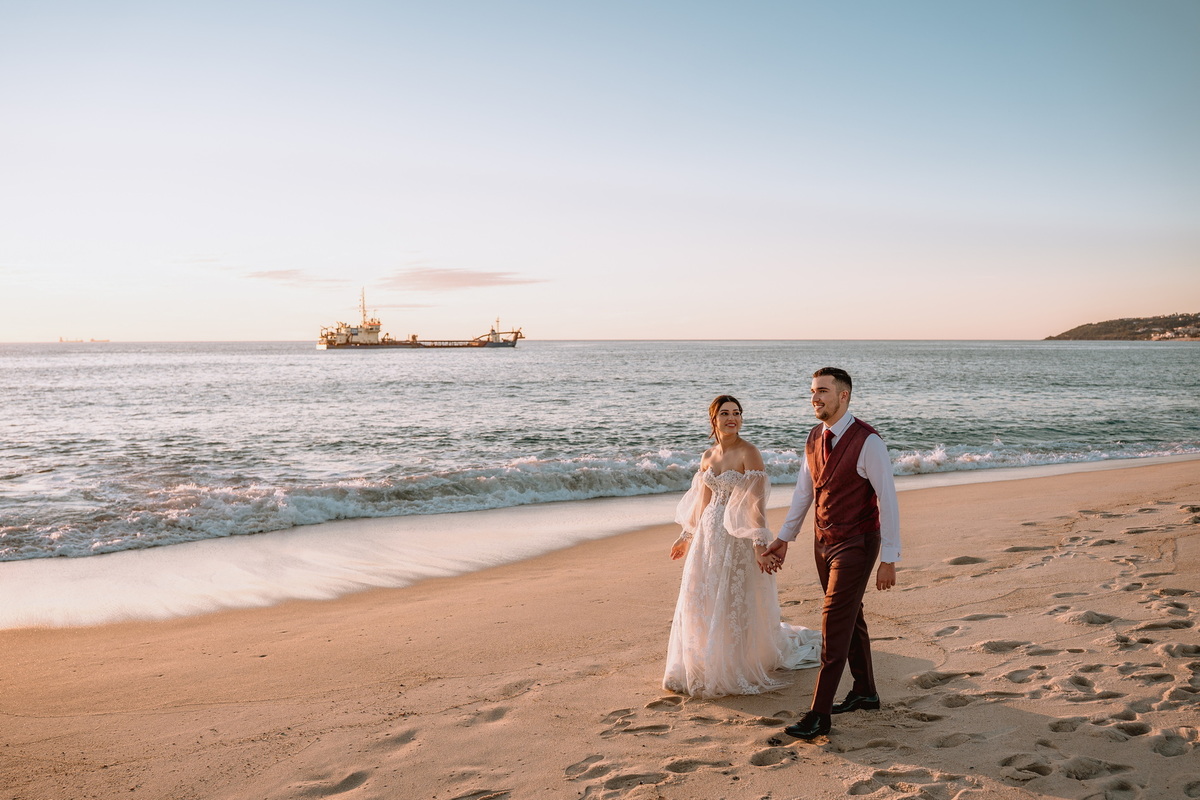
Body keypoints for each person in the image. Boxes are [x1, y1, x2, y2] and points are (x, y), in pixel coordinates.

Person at [764, 368, 900, 740]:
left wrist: (889, 558)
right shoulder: (814, 437)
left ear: (844, 396)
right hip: (822, 541)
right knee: (850, 616)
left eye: (822, 391)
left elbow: (887, 501)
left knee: (833, 623)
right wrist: (784, 538)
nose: (815, 398)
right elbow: (803, 493)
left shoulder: (869, 441)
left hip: (858, 543)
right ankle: (865, 691)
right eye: (812, 391)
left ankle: (819, 714)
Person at [664, 395, 821, 698]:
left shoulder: (750, 452)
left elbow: (755, 504)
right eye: (725, 413)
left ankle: (734, 660)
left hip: (736, 536)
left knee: (733, 597)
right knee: (705, 595)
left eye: (736, 413)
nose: (732, 418)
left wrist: (758, 544)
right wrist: (686, 536)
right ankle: (705, 657)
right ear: (714, 419)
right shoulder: (708, 455)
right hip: (708, 536)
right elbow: (703, 502)